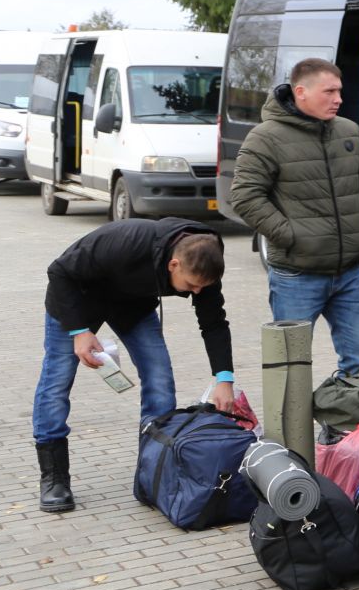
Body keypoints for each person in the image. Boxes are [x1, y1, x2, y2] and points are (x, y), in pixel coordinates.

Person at [33, 219, 234, 513]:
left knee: (159, 376)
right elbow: (59, 271)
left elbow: (214, 323)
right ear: (173, 264)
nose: (197, 292)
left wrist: (224, 378)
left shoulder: (205, 264)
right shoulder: (124, 242)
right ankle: (54, 478)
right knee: (56, 381)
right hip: (77, 303)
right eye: (191, 286)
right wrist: (79, 331)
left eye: (203, 287)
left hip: (132, 307)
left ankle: (153, 471)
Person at [225, 58, 359, 376]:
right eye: (330, 91)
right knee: (290, 365)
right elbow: (245, 196)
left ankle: (347, 426)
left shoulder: (348, 130)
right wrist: (292, 236)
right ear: (301, 92)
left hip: (350, 272)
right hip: (297, 275)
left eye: (339, 91)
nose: (338, 99)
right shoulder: (265, 138)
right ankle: (290, 428)